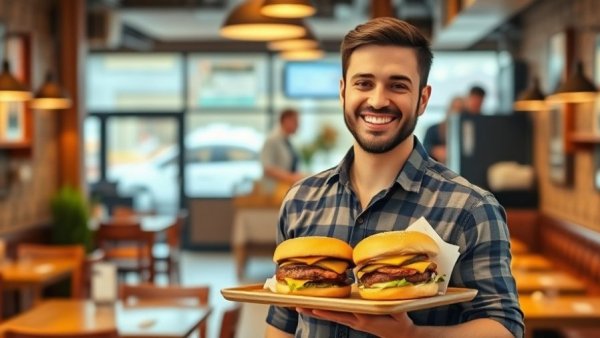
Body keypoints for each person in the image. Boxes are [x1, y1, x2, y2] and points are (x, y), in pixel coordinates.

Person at [265, 17, 523, 338]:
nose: (377, 100)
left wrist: (412, 336)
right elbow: (282, 322)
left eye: (398, 85)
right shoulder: (301, 199)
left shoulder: (471, 208)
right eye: (364, 83)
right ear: (343, 91)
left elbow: (505, 327)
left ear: (423, 99)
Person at [260, 108, 305, 195]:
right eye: (295, 122)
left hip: (286, 187)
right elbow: (267, 168)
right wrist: (290, 177)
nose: (298, 125)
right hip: (274, 190)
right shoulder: (272, 139)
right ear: (286, 121)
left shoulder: (287, 141)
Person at [422, 96, 464, 163]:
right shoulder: (433, 129)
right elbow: (423, 149)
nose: (457, 112)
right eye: (454, 108)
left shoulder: (466, 133)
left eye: (460, 110)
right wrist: (434, 150)